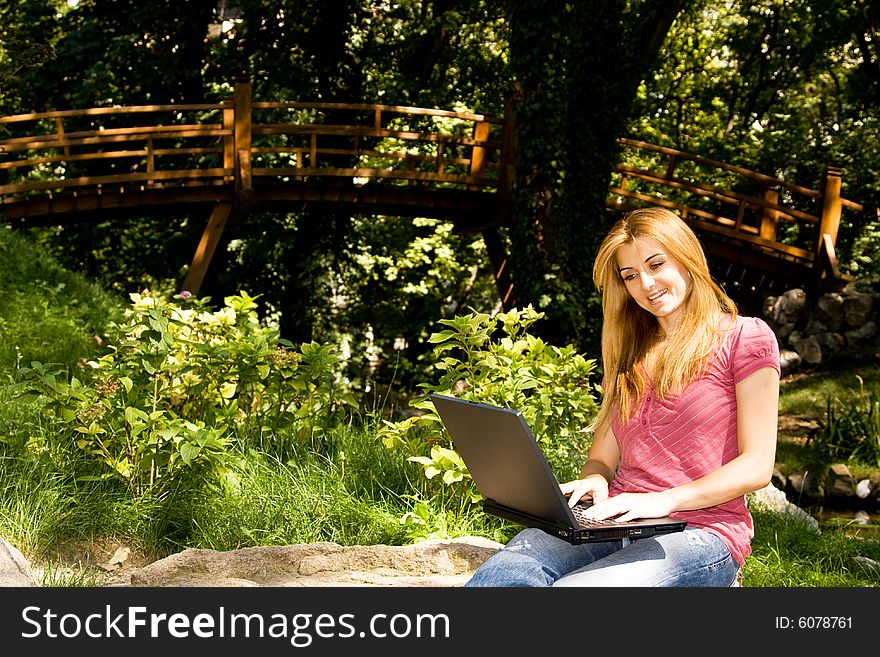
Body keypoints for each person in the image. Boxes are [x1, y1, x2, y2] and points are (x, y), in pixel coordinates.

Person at [465, 206, 780, 587]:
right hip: (613, 519)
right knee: (503, 575)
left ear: (687, 258)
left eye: (656, 264)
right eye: (631, 275)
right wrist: (595, 481)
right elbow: (601, 458)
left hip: (701, 531)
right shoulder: (631, 352)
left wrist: (664, 500)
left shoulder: (746, 337)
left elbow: (757, 466)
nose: (646, 284)